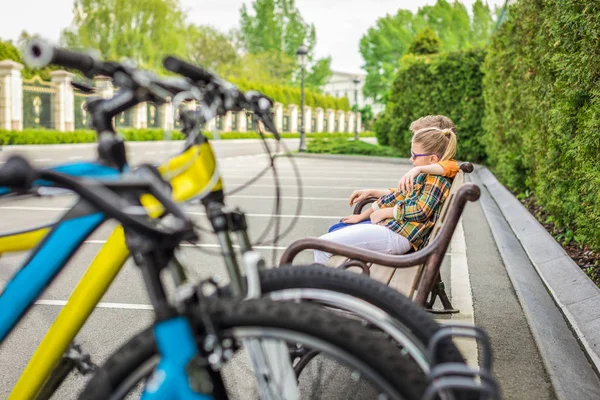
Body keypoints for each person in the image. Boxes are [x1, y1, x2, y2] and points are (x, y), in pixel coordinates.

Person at [314, 125, 457, 264]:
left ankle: (327, 284)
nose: (411, 159)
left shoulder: (437, 179)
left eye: (414, 156)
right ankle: (334, 283)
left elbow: (421, 211)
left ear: (432, 159)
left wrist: (387, 212)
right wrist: (363, 216)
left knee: (322, 246)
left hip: (399, 236)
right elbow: (395, 197)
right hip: (394, 230)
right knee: (329, 238)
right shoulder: (425, 176)